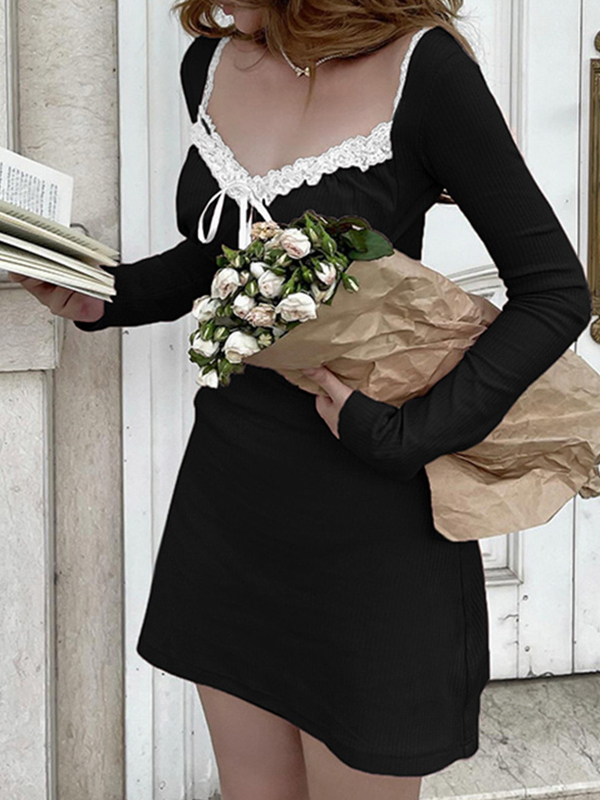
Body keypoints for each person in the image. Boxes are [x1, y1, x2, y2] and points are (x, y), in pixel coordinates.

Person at [10, 0, 592, 798]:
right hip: (232, 491)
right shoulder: (210, 64)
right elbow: (221, 261)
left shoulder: (423, 71)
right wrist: (104, 295)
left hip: (373, 513)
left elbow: (555, 293)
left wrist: (405, 435)